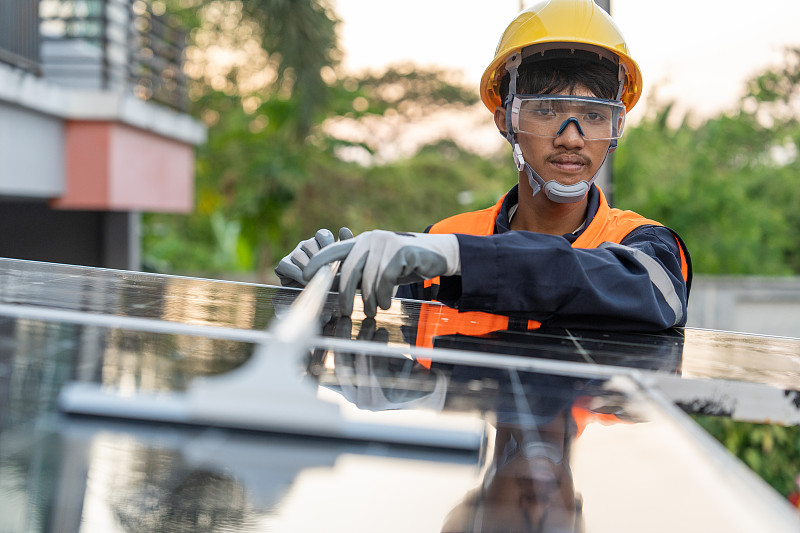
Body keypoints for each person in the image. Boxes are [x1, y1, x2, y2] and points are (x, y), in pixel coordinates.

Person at [275, 0, 691, 333]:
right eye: (546, 111)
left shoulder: (645, 247)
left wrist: (459, 257)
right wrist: (324, 291)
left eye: (594, 115)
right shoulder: (440, 241)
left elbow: (649, 293)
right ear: (506, 121)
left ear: (616, 126)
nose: (571, 137)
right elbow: (375, 341)